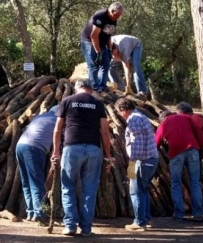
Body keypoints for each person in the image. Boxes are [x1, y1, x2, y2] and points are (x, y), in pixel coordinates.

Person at [51, 79, 113, 236]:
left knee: (68, 187)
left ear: (76, 88)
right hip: (93, 149)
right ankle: (86, 229)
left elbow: (57, 129)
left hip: (72, 148)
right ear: (91, 90)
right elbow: (105, 132)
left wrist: (56, 152)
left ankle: (70, 225)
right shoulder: (98, 104)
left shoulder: (67, 101)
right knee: (89, 190)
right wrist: (107, 156)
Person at [114, 98, 158, 231]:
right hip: (149, 159)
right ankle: (146, 218)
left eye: (119, 112)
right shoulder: (141, 117)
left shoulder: (134, 119)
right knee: (142, 189)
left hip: (140, 161)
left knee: (135, 191)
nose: (120, 115)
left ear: (124, 109)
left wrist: (131, 163)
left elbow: (136, 143)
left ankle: (139, 222)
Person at [155, 110, 203, 221]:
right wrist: (202, 149)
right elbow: (199, 133)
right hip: (193, 150)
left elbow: (156, 143)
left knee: (176, 183)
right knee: (195, 182)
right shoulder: (186, 118)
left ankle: (179, 214)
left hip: (176, 152)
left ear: (163, 118)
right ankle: (198, 214)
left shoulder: (163, 124)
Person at [15, 105, 59, 224]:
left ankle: (30, 213)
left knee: (26, 182)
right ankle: (39, 214)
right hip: (34, 148)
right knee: (36, 182)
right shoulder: (57, 120)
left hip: (20, 146)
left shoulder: (40, 117)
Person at [80, 2, 124, 92]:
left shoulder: (113, 18)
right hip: (90, 42)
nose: (118, 17)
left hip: (102, 43)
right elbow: (93, 36)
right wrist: (98, 52)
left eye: (120, 15)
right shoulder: (100, 17)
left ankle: (102, 86)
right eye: (117, 15)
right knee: (93, 65)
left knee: (106, 64)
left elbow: (108, 34)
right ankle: (94, 88)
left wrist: (110, 49)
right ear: (112, 11)